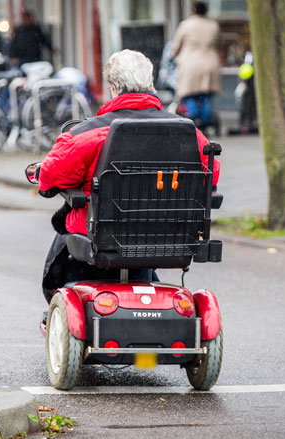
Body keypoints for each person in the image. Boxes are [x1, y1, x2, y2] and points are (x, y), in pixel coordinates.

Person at [35, 49, 221, 328]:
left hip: (103, 234)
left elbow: (50, 177)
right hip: (167, 234)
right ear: (151, 84)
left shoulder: (87, 134)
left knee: (68, 224)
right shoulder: (189, 134)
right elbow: (211, 176)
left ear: (113, 88)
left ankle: (61, 302)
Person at [170, 1, 221, 132]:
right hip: (210, 63)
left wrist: (172, 55)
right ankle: (205, 120)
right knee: (206, 94)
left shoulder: (185, 25)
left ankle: (193, 117)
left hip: (190, 63)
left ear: (193, 10)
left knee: (188, 94)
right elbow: (219, 43)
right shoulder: (213, 25)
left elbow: (176, 46)